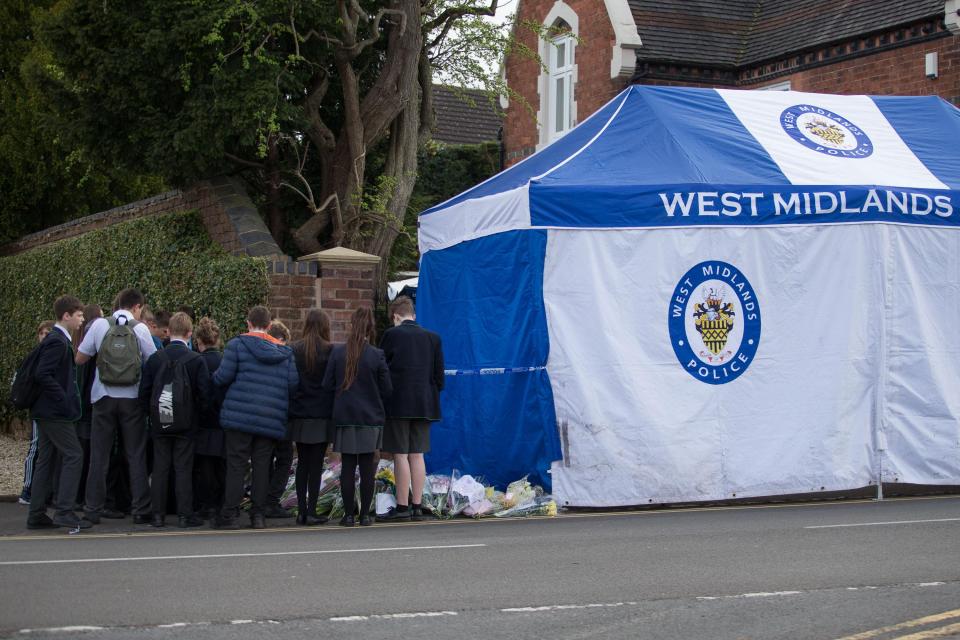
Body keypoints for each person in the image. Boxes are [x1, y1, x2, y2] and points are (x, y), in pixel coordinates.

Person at [77, 287, 157, 524]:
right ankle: (141, 509)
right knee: (135, 454)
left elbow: (80, 357)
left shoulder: (100, 324)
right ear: (137, 307)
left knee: (99, 456)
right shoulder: (140, 328)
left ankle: (92, 509)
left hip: (102, 397)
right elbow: (152, 362)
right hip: (131, 399)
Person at [213, 306, 298, 529]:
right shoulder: (284, 352)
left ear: (248, 323)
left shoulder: (236, 346)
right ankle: (258, 515)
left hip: (239, 416)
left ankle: (230, 514)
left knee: (236, 465)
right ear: (269, 326)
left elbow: (222, 378)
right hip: (270, 416)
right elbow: (292, 384)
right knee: (263, 466)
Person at [376, 296, 445, 522]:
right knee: (417, 454)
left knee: (400, 455)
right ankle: (417, 505)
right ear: (413, 315)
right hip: (425, 404)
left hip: (397, 403)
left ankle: (402, 507)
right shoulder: (433, 338)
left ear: (396, 316)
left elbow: (381, 370)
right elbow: (439, 379)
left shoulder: (391, 335)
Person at [321, 307, 392, 527]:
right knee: (368, 470)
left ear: (352, 325)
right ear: (371, 328)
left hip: (344, 417)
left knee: (348, 468)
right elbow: (387, 389)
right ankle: (364, 516)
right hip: (370, 418)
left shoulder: (338, 352)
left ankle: (349, 515)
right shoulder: (376, 355)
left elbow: (326, 385)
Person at [26, 296, 91, 530]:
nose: (82, 320)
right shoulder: (57, 341)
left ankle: (36, 512)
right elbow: (43, 374)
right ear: (66, 316)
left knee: (46, 459)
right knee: (74, 455)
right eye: (79, 315)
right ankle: (64, 510)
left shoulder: (54, 339)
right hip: (54, 412)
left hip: (44, 410)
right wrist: (62, 398)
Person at [139, 312, 209, 528]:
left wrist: (152, 415)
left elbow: (144, 392)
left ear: (168, 331)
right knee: (183, 468)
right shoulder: (196, 360)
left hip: (161, 421)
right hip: (186, 423)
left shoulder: (155, 359)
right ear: (189, 333)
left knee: (160, 468)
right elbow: (205, 395)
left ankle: (158, 515)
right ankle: (184, 515)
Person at [288, 310, 334, 525]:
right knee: (316, 465)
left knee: (303, 464)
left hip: (299, 412)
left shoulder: (294, 349)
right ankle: (312, 510)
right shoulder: (330, 350)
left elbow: (291, 382)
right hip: (322, 414)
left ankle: (301, 511)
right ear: (325, 326)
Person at [19, 321, 56, 505]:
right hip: (39, 408)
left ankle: (42, 491)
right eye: (42, 333)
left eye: (47, 333)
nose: (44, 337)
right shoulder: (35, 357)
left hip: (50, 409)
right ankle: (27, 489)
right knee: (35, 447)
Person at [192, 317, 225, 519]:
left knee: (203, 467)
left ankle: (206, 505)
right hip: (223, 420)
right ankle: (221, 503)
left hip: (202, 421)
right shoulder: (225, 360)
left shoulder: (196, 361)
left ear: (198, 341)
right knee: (222, 467)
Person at [265, 319, 295, 518]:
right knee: (284, 458)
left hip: (261, 416)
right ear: (282, 338)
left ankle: (260, 499)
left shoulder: (256, 354)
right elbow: (293, 385)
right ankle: (271, 500)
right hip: (281, 415)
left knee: (264, 458)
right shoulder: (287, 357)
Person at [74, 304, 103, 507]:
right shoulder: (94, 346)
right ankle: (85, 498)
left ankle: (76, 496)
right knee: (91, 453)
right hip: (91, 405)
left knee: (80, 452)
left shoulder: (79, 344)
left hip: (80, 407)